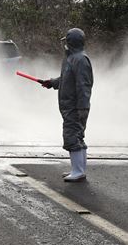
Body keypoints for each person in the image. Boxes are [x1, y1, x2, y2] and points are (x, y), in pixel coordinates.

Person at [40, 28, 93, 182]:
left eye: (66, 41)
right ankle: (79, 169)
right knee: (77, 135)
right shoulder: (71, 58)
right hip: (70, 106)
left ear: (71, 42)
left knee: (72, 136)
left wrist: (82, 106)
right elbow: (66, 78)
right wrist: (52, 83)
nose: (64, 44)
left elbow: (84, 85)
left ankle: (78, 171)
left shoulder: (81, 59)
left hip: (75, 106)